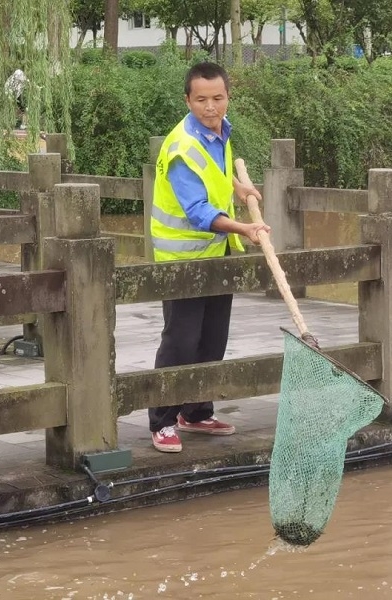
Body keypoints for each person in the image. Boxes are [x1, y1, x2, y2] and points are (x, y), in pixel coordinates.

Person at [148, 62, 270, 453]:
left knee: (213, 338)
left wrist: (238, 187)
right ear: (187, 100)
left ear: (227, 97)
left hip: (216, 253)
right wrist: (247, 229)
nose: (210, 107)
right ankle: (162, 421)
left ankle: (195, 412)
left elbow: (214, 177)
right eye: (201, 99)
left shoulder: (220, 131)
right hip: (182, 258)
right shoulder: (182, 146)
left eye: (217, 98)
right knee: (180, 342)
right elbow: (199, 211)